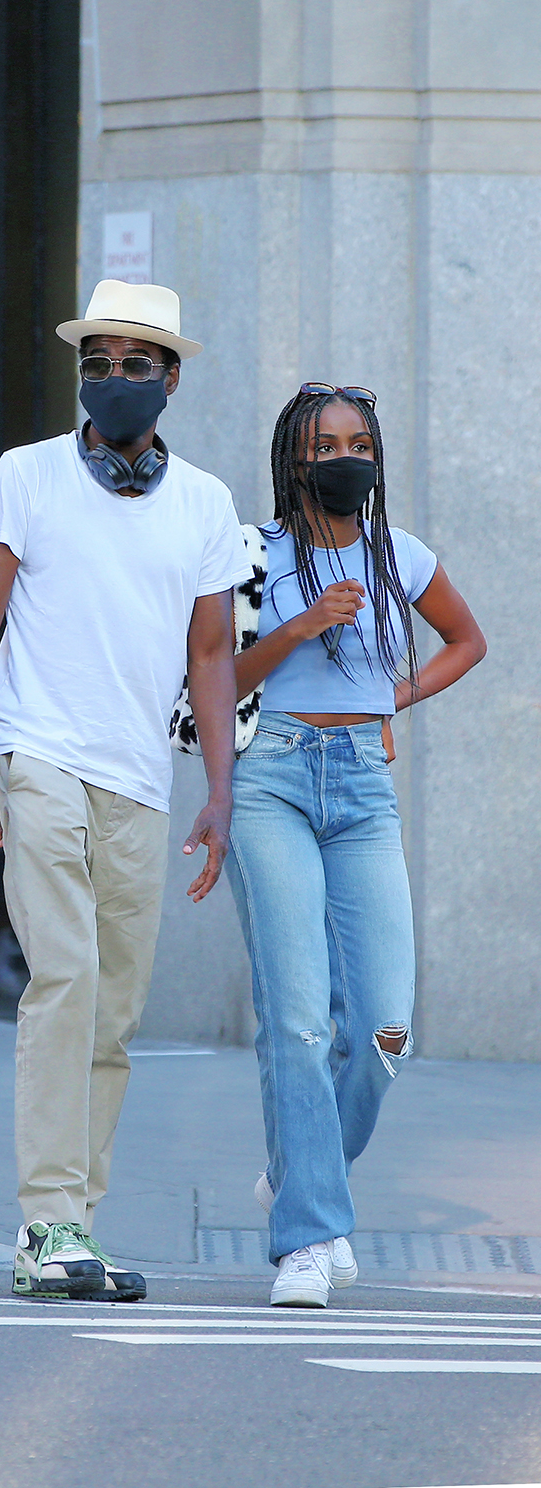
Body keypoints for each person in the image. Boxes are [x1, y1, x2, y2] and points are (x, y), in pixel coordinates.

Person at [0, 280, 252, 1301]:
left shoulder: (207, 503)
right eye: (97, 363)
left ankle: (76, 1221)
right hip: (34, 753)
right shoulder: (26, 476)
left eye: (135, 364)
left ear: (170, 379)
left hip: (137, 777)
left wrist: (219, 789)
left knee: (114, 1011)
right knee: (66, 979)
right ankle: (47, 1220)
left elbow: (210, 657)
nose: (114, 380)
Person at [225, 382, 486, 1307]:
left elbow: (466, 641)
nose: (345, 459)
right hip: (273, 777)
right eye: (326, 444)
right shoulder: (254, 554)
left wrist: (391, 704)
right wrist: (301, 624)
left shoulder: (399, 556)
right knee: (297, 1018)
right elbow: (215, 671)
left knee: (385, 1027)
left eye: (360, 444)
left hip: (364, 791)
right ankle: (309, 1238)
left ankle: (304, 1174)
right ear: (295, 459)